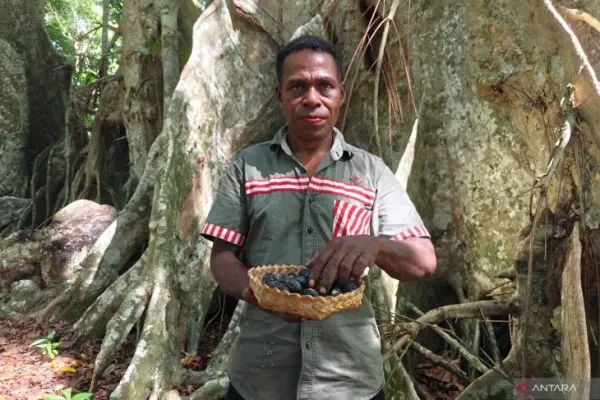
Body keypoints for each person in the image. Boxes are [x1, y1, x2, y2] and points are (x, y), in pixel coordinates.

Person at [200, 34, 437, 400]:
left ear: (341, 94)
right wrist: (258, 292)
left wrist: (376, 246)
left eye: (325, 86)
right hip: (261, 377)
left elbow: (423, 261)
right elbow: (221, 257)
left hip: (349, 380)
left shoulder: (371, 171)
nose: (312, 98)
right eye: (298, 86)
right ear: (279, 96)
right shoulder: (249, 166)